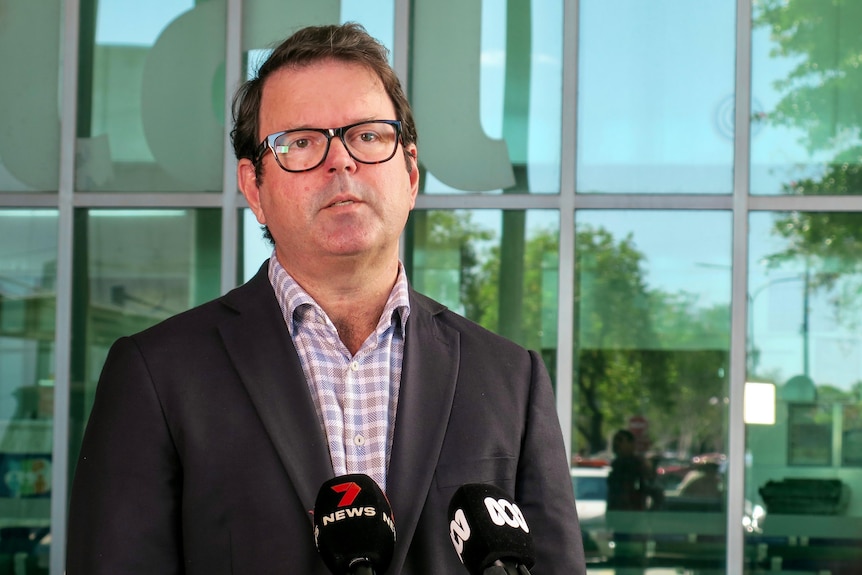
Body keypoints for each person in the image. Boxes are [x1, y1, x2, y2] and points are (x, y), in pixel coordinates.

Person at [66, 23, 585, 574]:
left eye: (367, 135)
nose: (340, 161)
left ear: (410, 174)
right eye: (302, 142)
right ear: (254, 188)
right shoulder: (158, 375)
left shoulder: (510, 376)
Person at [606, 429, 662, 511]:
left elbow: (655, 492)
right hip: (615, 512)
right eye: (615, 440)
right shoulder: (616, 465)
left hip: (633, 514)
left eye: (620, 440)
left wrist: (650, 513)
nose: (616, 444)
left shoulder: (638, 465)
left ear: (631, 444)